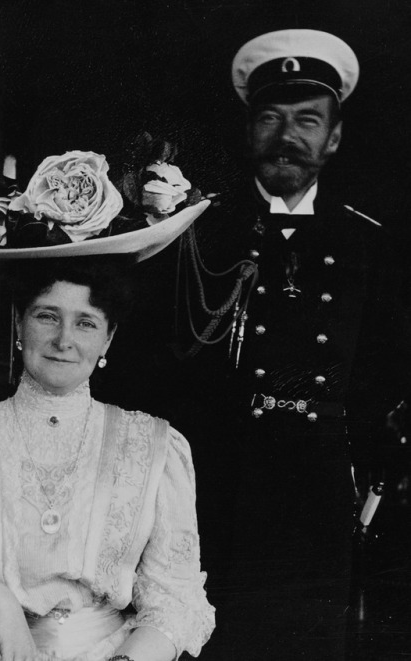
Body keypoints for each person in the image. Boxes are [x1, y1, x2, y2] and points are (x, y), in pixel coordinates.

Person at [0, 150, 214, 661]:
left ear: (109, 339)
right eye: (47, 316)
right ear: (19, 326)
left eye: (86, 323)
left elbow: (176, 600)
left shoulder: (155, 445)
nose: (64, 340)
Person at [170, 29, 411, 660]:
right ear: (250, 131)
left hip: (321, 490)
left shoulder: (369, 244)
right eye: (271, 118)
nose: (287, 135)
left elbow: (388, 374)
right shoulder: (199, 233)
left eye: (308, 120)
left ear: (333, 138)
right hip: (214, 485)